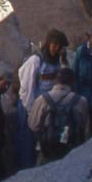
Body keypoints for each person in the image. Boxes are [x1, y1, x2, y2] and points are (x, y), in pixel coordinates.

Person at [17, 29, 69, 169]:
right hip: (30, 107)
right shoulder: (35, 61)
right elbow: (28, 89)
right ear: (48, 43)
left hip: (46, 107)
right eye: (55, 44)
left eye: (60, 46)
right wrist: (31, 111)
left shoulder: (57, 62)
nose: (57, 48)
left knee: (43, 140)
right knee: (28, 142)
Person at [28, 68, 88, 164]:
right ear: (73, 82)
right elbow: (82, 127)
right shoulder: (81, 101)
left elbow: (33, 125)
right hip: (71, 151)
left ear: (55, 80)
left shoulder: (42, 99)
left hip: (46, 150)